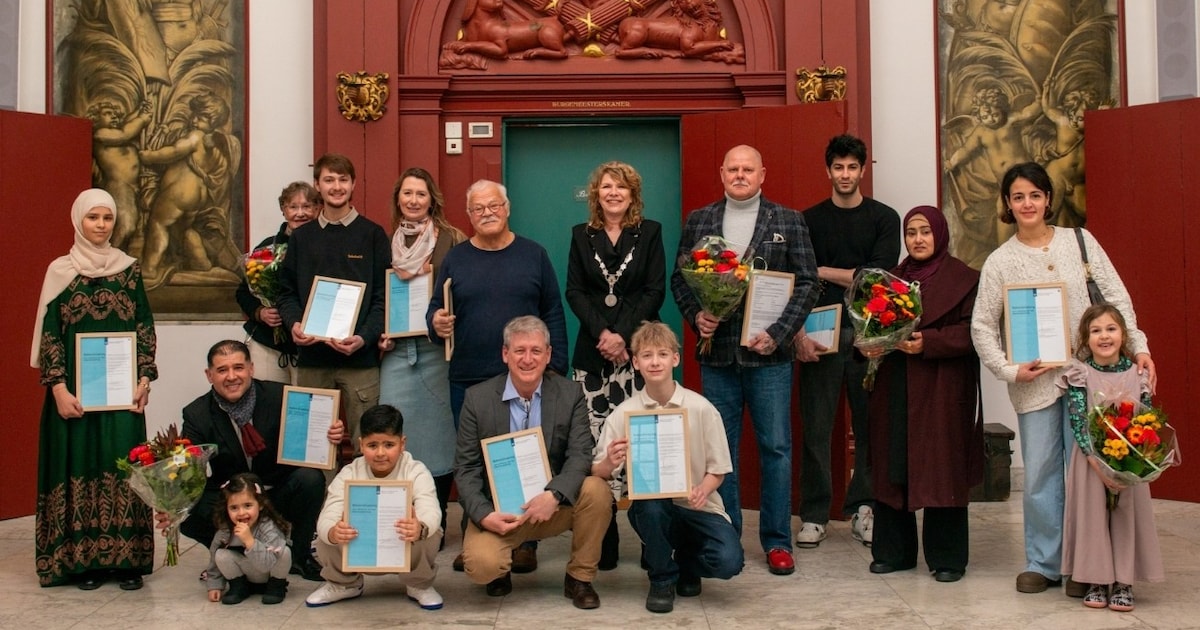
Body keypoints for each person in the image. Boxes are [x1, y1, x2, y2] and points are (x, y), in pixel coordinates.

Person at [971, 161, 1156, 595]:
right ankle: (1045, 562)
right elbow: (982, 325)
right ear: (1007, 204)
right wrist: (1010, 368)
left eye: (1035, 194)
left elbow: (1116, 298)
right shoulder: (1000, 261)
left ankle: (1086, 565)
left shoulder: (1081, 242)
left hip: (1091, 381)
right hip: (1034, 384)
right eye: (1018, 196)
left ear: (1048, 199)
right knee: (1040, 473)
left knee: (1091, 473)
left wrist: (1140, 346)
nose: (1027, 203)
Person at [670, 144, 818, 576]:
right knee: (721, 451)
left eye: (747, 169)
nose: (739, 175)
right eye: (732, 169)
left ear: (762, 174)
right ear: (722, 173)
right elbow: (680, 280)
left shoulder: (789, 220)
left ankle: (776, 541)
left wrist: (779, 334)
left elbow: (808, 282)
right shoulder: (699, 220)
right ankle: (727, 534)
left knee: (775, 449)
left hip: (769, 358)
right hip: (717, 356)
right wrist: (697, 317)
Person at [428, 178, 569, 572]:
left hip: (526, 377)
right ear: (468, 215)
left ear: (507, 209)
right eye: (478, 209)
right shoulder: (457, 258)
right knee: (474, 460)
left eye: (494, 206)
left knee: (524, 459)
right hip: (470, 376)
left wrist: (555, 369)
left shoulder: (533, 254)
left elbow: (553, 311)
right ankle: (479, 532)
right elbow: (436, 309)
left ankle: (525, 542)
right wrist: (435, 321)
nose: (486, 213)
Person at [31, 188, 157, 589]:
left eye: (107, 218)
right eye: (93, 218)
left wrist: (144, 379)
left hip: (121, 397)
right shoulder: (60, 270)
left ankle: (126, 562)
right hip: (74, 396)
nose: (101, 225)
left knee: (121, 466)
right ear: (78, 221)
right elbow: (51, 335)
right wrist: (57, 389)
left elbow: (143, 326)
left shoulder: (130, 270)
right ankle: (80, 561)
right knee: (79, 464)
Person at [454, 316, 612, 609]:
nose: (528, 359)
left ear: (548, 355)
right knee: (480, 567)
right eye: (519, 350)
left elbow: (580, 454)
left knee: (597, 490)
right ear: (505, 354)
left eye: (536, 351)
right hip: (500, 511)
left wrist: (554, 495)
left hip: (553, 506)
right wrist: (485, 515)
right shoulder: (477, 399)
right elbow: (466, 469)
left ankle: (579, 577)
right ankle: (500, 569)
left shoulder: (569, 393)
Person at [861, 206, 983, 583]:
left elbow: (973, 333)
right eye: (911, 232)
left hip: (942, 389)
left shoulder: (964, 279)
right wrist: (866, 345)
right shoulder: (890, 280)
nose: (917, 239)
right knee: (893, 464)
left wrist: (927, 342)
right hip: (894, 386)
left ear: (940, 235)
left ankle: (947, 558)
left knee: (941, 468)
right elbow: (867, 325)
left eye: (925, 232)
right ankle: (894, 552)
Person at [793, 134, 900, 549]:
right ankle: (815, 515)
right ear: (828, 171)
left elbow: (877, 277)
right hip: (818, 332)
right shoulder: (808, 219)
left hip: (871, 334)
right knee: (816, 428)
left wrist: (822, 269)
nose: (845, 174)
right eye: (838, 167)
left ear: (862, 170)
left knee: (869, 427)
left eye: (852, 167)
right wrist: (799, 333)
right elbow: (800, 279)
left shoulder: (884, 218)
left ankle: (864, 509)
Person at [591, 321, 742, 613]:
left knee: (728, 561)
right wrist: (611, 460)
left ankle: (684, 564)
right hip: (654, 508)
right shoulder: (624, 414)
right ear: (635, 362)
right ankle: (661, 579)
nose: (655, 362)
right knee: (650, 506)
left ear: (676, 358)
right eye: (646, 355)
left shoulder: (702, 408)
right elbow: (598, 471)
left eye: (662, 354)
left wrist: (704, 489)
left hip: (699, 506)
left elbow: (720, 468)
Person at [565, 161, 666, 569]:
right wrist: (603, 336)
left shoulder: (651, 232)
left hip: (637, 353)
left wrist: (622, 335)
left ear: (632, 194)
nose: (613, 193)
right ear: (596, 193)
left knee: (641, 445)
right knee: (596, 447)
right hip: (592, 357)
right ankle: (603, 542)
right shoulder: (580, 235)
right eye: (606, 186)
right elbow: (574, 291)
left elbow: (654, 290)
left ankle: (648, 538)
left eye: (620, 187)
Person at [178, 339, 345, 582]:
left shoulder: (281, 396)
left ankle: (299, 556)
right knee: (189, 510)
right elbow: (188, 468)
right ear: (209, 375)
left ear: (251, 369)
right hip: (232, 498)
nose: (232, 376)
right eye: (222, 370)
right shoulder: (196, 413)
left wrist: (329, 433)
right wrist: (171, 503)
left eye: (238, 367)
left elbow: (312, 438)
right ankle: (229, 553)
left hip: (276, 492)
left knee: (310, 478)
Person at [277, 153, 391, 443]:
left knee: (369, 443)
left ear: (353, 184)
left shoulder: (373, 235)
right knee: (313, 447)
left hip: (360, 362)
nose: (336, 186)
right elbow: (286, 292)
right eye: (329, 180)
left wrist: (364, 338)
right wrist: (295, 324)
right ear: (318, 185)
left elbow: (383, 297)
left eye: (343, 179)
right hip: (312, 361)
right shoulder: (302, 238)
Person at [378, 167, 466, 539]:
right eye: (407, 194)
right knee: (397, 431)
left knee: (439, 436)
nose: (414, 201)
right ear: (398, 199)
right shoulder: (382, 243)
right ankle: (404, 516)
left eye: (421, 194)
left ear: (433, 200)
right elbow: (372, 298)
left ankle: (438, 519)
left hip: (435, 352)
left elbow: (463, 294)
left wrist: (447, 320)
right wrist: (376, 334)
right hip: (395, 352)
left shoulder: (453, 240)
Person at [1058, 304, 1163, 611]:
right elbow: (1077, 420)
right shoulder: (1080, 374)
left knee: (1125, 516)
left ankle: (1123, 582)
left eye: (1111, 329)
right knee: (1092, 517)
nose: (1104, 336)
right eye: (1096, 331)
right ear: (1085, 338)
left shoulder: (1137, 374)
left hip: (1127, 462)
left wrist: (1134, 464)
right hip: (1091, 462)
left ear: (1123, 334)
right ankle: (1096, 579)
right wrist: (1097, 464)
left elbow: (1146, 421)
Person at [306, 404, 445, 610]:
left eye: (389, 445)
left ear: (402, 443)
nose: (380, 453)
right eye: (372, 446)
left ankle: (418, 584)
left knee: (431, 532)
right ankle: (344, 584)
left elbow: (431, 509)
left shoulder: (416, 470)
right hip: (360, 544)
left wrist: (420, 526)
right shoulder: (349, 473)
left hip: (402, 542)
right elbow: (328, 514)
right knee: (324, 535)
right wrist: (335, 532)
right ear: (361, 445)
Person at [234, 182, 321, 384]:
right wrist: (259, 312)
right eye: (293, 207)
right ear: (283, 210)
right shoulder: (266, 249)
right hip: (268, 345)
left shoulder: (326, 247)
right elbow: (242, 291)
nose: (300, 213)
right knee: (268, 406)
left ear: (317, 209)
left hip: (311, 348)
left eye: (307, 206)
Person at [204, 472, 292, 605]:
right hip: (247, 572)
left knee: (285, 553)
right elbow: (214, 561)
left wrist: (250, 542)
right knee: (220, 554)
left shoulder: (269, 527)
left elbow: (266, 565)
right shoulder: (225, 531)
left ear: (260, 504)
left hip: (268, 571)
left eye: (247, 506)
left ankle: (276, 587)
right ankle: (239, 587)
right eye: (234, 508)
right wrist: (214, 585)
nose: (241, 513)